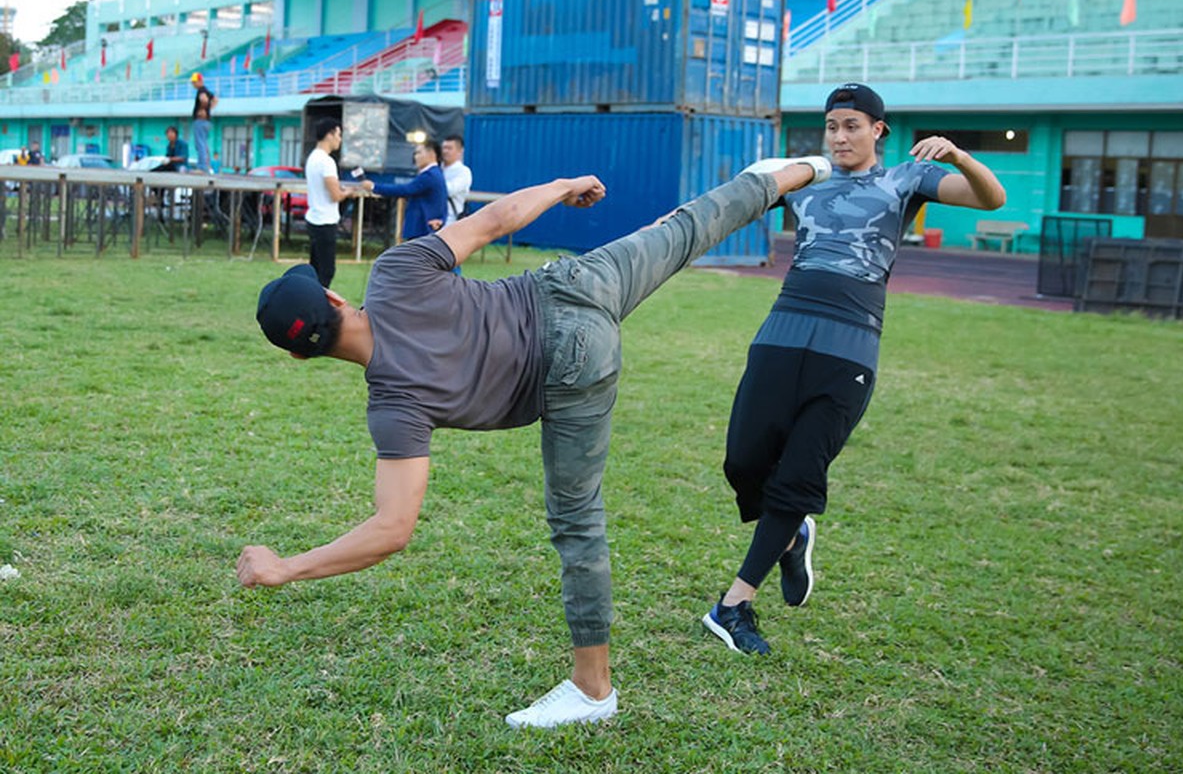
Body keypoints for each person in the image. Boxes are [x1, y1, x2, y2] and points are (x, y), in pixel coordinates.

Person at [242, 155, 833, 728]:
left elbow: (391, 530)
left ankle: (593, 690)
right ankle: (807, 169)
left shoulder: (394, 410)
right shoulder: (394, 273)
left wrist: (285, 568)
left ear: (300, 355)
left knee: (579, 525)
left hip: (572, 368)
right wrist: (563, 184)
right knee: (684, 229)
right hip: (574, 287)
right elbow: (495, 220)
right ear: (335, 299)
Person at [702, 83, 1007, 656]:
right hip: (782, 332)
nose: (840, 136)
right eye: (833, 126)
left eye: (852, 126)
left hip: (850, 347)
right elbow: (726, 206)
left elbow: (991, 200)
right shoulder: (802, 181)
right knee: (743, 459)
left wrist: (961, 155)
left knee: (798, 474)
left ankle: (734, 604)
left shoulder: (906, 180)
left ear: (877, 131)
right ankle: (791, 535)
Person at [304, 117, 374, 287]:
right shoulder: (326, 162)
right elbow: (335, 195)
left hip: (314, 217)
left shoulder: (312, 157)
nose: (340, 139)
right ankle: (320, 307)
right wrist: (349, 191)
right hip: (325, 220)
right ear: (329, 135)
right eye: (338, 135)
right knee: (326, 271)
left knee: (315, 268)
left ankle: (314, 303)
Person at [372, 139, 448, 241]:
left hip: (422, 228)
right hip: (425, 227)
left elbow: (405, 189)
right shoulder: (435, 173)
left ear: (431, 154)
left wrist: (374, 187)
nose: (415, 157)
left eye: (419, 152)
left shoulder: (430, 175)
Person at [441, 134, 472, 227]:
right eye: (444, 148)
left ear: (460, 151)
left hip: (450, 221)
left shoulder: (463, 172)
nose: (445, 151)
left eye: (449, 148)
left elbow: (449, 191)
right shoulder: (437, 168)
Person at [190, 73, 217, 174]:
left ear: (200, 81)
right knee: (204, 144)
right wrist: (209, 109)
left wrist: (203, 109)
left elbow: (204, 99)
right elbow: (215, 100)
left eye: (194, 82)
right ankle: (206, 165)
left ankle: (202, 167)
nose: (193, 84)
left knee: (200, 144)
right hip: (206, 121)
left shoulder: (201, 91)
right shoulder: (207, 91)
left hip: (200, 120)